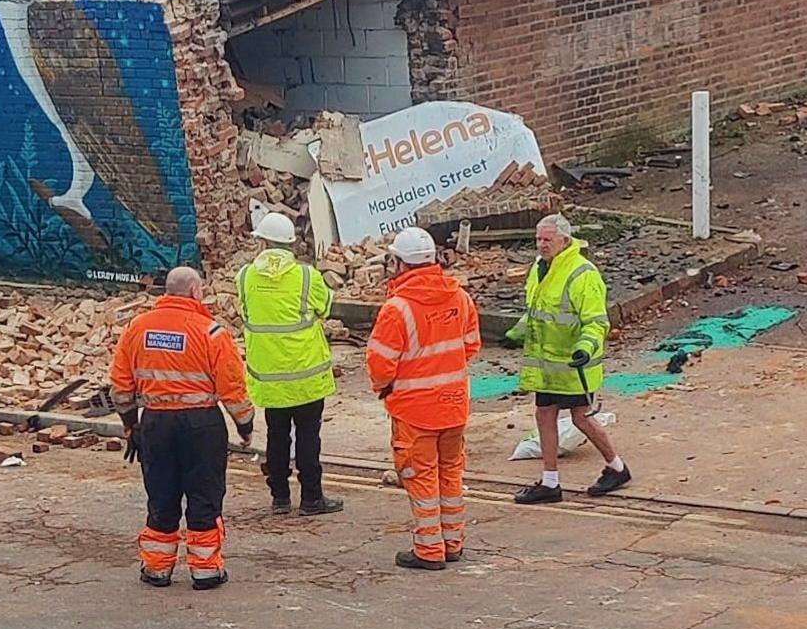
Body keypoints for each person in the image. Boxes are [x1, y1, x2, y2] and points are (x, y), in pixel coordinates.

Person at [111, 266, 256, 590]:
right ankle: (205, 571)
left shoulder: (138, 328)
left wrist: (131, 426)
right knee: (204, 495)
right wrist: (245, 427)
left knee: (161, 495)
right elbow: (233, 388)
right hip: (201, 424)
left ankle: (157, 568)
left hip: (155, 423)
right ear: (194, 292)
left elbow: (120, 386)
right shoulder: (211, 333)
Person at [365, 226, 481, 571]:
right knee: (451, 476)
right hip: (454, 404)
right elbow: (471, 345)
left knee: (421, 477)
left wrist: (386, 389)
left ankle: (430, 550)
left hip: (415, 410)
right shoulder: (459, 297)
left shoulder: (397, 309)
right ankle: (452, 542)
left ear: (400, 264)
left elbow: (380, 363)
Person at [507, 213, 631, 505]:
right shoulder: (541, 267)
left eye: (547, 239)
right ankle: (551, 481)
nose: (541, 245)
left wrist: (585, 349)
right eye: (538, 239)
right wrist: (516, 332)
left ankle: (617, 467)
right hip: (549, 363)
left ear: (564, 240)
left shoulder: (582, 273)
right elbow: (538, 309)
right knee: (545, 414)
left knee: (580, 418)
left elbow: (596, 322)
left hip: (572, 363)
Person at [239, 212, 344, 517]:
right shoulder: (307, 276)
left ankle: (280, 497)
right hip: (307, 375)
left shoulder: (245, 276)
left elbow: (246, 313)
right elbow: (325, 308)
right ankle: (312, 497)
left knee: (276, 434)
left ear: (262, 242)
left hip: (270, 377)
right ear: (290, 244)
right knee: (309, 437)